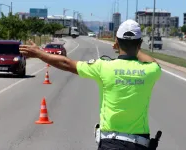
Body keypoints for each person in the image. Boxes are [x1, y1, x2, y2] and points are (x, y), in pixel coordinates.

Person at [19, 19, 162, 150]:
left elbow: (66, 63)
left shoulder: (104, 67)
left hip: (110, 144)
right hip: (140, 145)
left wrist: (40, 53)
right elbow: (154, 62)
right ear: (140, 44)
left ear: (116, 42)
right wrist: (135, 48)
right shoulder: (150, 70)